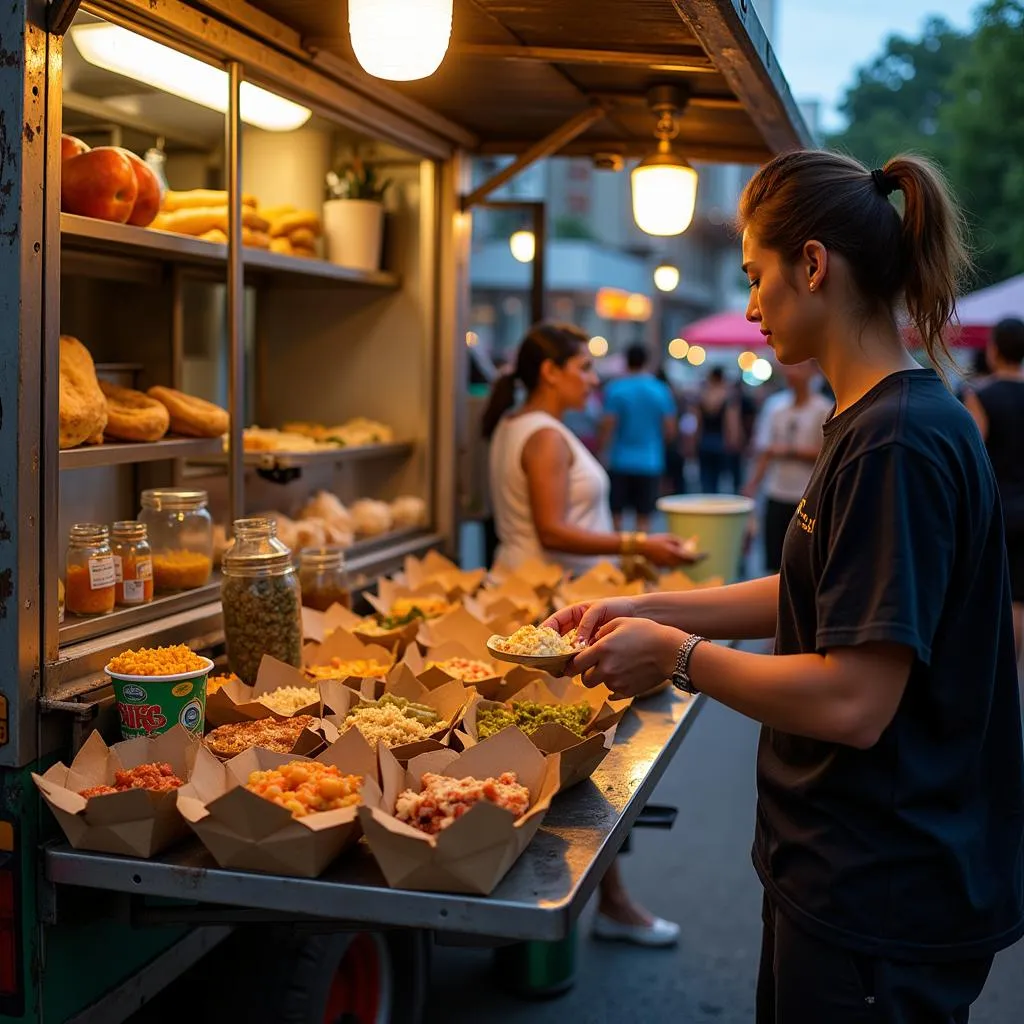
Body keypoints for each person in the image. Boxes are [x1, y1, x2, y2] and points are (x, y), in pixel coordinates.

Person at [548, 152, 1024, 1021]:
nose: (752, 306)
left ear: (813, 265)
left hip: (882, 888)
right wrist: (641, 606)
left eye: (756, 277)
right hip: (845, 867)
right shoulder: (873, 418)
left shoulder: (898, 441)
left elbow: (853, 700)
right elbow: (810, 588)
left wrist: (679, 658)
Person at [482, 322, 696, 947]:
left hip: (533, 597)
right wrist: (639, 540)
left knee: (553, 754)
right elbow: (553, 530)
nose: (593, 377)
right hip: (554, 608)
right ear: (549, 371)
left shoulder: (514, 426)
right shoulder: (544, 436)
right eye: (582, 367)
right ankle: (608, 901)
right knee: (587, 758)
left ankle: (588, 897)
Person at [964, 316, 1024, 658]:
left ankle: (1001, 673)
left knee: (995, 593)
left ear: (994, 349)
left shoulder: (980, 396)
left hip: (996, 507)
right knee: (1019, 600)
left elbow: (974, 454)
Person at [743, 360, 832, 573]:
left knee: (803, 563)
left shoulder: (824, 408)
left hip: (807, 496)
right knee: (774, 559)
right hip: (776, 490)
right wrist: (752, 485)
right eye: (791, 366)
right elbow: (765, 450)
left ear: (814, 371)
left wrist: (788, 451)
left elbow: (827, 453)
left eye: (801, 366)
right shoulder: (775, 406)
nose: (793, 372)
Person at [599, 344, 678, 531]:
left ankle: (617, 557)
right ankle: (639, 558)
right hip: (650, 461)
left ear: (627, 361)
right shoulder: (660, 390)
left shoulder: (616, 389)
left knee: (615, 515)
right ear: (647, 361)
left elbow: (607, 426)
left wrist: (602, 452)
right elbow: (670, 430)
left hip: (620, 460)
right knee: (644, 518)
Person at [696, 366, 744, 493]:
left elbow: (698, 423)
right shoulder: (728, 397)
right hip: (721, 442)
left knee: (707, 480)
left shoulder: (703, 396)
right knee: (723, 481)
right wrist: (734, 441)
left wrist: (695, 441)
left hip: (705, 441)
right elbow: (731, 423)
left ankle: (707, 504)